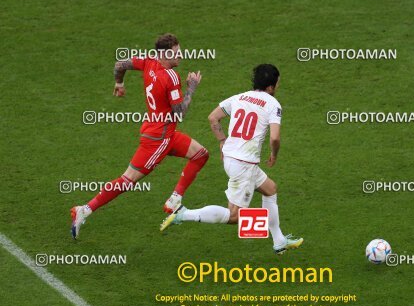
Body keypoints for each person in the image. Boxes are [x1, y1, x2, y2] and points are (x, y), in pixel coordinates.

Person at [71, 33, 208, 239]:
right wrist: (192, 87)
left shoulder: (148, 61)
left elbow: (120, 65)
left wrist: (119, 84)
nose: (181, 56)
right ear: (165, 54)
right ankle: (85, 209)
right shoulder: (170, 77)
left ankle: (174, 199)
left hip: (161, 132)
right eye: (176, 53)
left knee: (201, 154)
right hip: (160, 140)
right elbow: (180, 113)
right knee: (128, 180)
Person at [160, 64, 303, 255]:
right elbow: (275, 138)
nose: (277, 87)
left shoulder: (240, 97)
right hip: (245, 165)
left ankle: (279, 241)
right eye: (277, 84)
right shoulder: (272, 104)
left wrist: (221, 141)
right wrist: (274, 154)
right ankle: (183, 214)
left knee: (270, 189)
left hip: (231, 158)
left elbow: (213, 118)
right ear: (270, 86)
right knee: (234, 216)